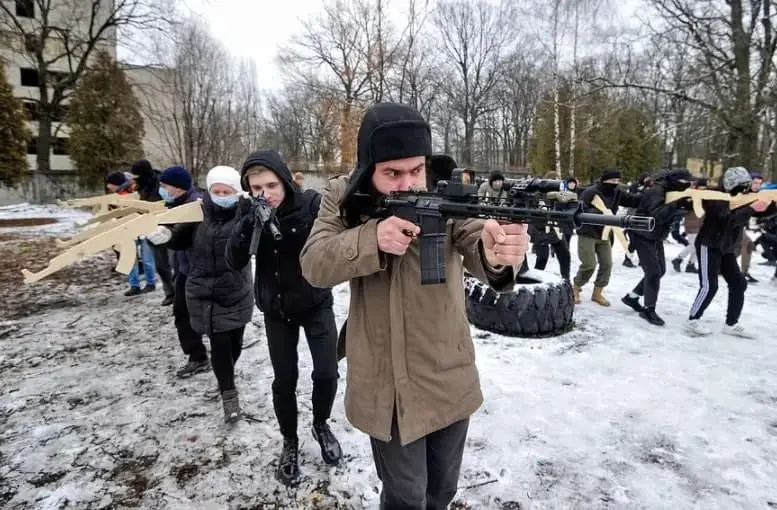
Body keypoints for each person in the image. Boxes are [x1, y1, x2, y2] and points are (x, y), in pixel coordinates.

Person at [299, 102, 530, 510]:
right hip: (387, 382)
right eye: (392, 173)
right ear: (368, 169)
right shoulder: (342, 196)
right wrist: (371, 238)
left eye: (416, 170)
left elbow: (475, 236)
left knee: (442, 491)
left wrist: (497, 254)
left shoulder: (444, 193)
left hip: (447, 369)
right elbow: (314, 263)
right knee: (406, 496)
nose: (408, 183)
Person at [225, 149, 341, 485]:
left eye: (272, 185)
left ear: (285, 181)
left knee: (327, 372)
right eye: (257, 188)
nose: (266, 193)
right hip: (277, 310)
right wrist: (249, 224)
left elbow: (334, 238)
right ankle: (289, 440)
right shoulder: (249, 211)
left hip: (315, 302)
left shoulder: (310, 204)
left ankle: (321, 424)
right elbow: (233, 260)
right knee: (284, 379)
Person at [167, 166, 254, 422]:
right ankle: (229, 394)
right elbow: (178, 240)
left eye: (227, 192)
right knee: (220, 345)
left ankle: (225, 374)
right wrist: (162, 237)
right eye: (217, 191)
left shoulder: (245, 213)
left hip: (236, 290)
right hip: (204, 291)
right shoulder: (197, 212)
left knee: (235, 343)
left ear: (236, 192)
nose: (221, 196)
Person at [684, 167, 773, 338]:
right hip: (709, 245)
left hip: (726, 248)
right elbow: (729, 219)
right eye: (743, 185)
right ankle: (692, 320)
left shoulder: (741, 198)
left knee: (738, 283)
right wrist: (751, 208)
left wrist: (771, 205)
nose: (746, 189)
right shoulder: (716, 198)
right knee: (709, 286)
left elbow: (760, 210)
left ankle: (731, 323)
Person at [146, 166, 209, 378]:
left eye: (165, 186)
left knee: (209, 315)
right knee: (182, 313)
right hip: (184, 269)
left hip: (200, 271)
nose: (161, 190)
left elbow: (181, 233)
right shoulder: (175, 203)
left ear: (177, 188)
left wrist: (168, 234)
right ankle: (197, 356)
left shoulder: (194, 205)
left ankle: (220, 353)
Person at [621, 168, 694, 325]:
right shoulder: (657, 191)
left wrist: (685, 207)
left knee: (660, 270)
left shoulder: (670, 190)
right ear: (676, 181)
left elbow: (668, 213)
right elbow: (658, 214)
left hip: (654, 235)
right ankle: (649, 310)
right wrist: (677, 204)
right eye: (685, 182)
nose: (687, 185)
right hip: (642, 233)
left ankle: (632, 297)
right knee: (653, 272)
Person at [572, 168, 641, 306]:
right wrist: (601, 213)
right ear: (604, 180)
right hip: (588, 232)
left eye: (618, 180)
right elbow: (579, 209)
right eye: (612, 180)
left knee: (607, 264)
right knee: (589, 264)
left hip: (605, 234)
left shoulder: (617, 192)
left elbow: (633, 200)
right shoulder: (591, 192)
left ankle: (597, 293)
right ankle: (575, 288)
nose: (615, 183)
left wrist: (650, 195)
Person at [131, 159, 176, 306]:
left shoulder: (161, 184)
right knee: (161, 265)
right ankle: (170, 293)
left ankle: (180, 292)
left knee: (175, 263)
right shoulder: (141, 186)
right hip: (152, 229)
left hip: (170, 228)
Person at [106, 171, 157, 297]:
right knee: (129, 258)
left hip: (142, 228)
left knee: (147, 258)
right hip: (127, 230)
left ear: (117, 184)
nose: (108, 186)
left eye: (111, 184)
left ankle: (151, 283)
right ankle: (134, 285)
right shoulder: (115, 197)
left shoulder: (135, 191)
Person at [671, 177, 708, 273]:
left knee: (699, 245)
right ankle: (678, 259)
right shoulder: (691, 194)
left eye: (704, 187)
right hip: (691, 222)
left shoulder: (705, 196)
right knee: (694, 245)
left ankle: (691, 264)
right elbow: (685, 204)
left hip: (701, 222)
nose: (703, 189)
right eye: (701, 187)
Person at [739, 172, 764, 283]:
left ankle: (742, 271)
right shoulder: (742, 193)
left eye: (759, 183)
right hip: (730, 225)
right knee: (747, 244)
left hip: (740, 226)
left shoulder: (757, 195)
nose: (757, 185)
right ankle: (743, 272)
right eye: (755, 183)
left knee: (740, 247)